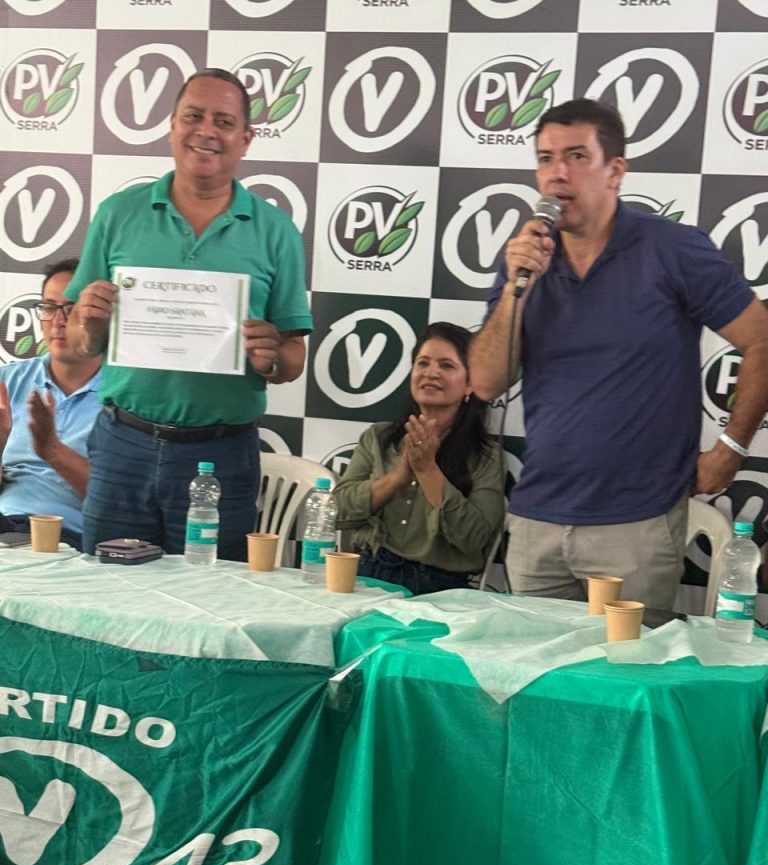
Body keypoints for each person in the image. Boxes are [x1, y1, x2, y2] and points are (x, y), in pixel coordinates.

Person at [469, 98, 768, 610]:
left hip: (637, 524)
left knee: (626, 663)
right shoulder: (526, 259)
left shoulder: (672, 248)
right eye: (545, 158)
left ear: (615, 171)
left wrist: (731, 447)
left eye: (576, 156)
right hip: (537, 517)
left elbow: (761, 339)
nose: (557, 173)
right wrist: (516, 288)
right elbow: (485, 381)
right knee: (533, 663)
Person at [65, 68, 312, 560]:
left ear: (246, 139)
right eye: (193, 116)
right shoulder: (118, 213)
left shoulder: (275, 230)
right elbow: (79, 344)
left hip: (221, 453)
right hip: (123, 444)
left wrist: (271, 357)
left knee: (210, 595)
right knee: (108, 589)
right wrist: (88, 322)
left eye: (224, 121)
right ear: (172, 126)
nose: (207, 131)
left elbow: (293, 360)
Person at [334, 323, 506, 595]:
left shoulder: (485, 455)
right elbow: (337, 512)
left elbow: (475, 539)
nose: (430, 373)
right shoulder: (379, 438)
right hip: (369, 574)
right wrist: (397, 478)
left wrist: (428, 471)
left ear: (470, 385)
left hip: (441, 588)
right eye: (422, 363)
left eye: (446, 365)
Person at [0, 258, 102, 550]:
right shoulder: (7, 381)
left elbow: (121, 504)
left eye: (72, 309)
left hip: (71, 538)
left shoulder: (127, 400)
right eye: (49, 307)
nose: (58, 321)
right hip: (6, 526)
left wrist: (52, 450)